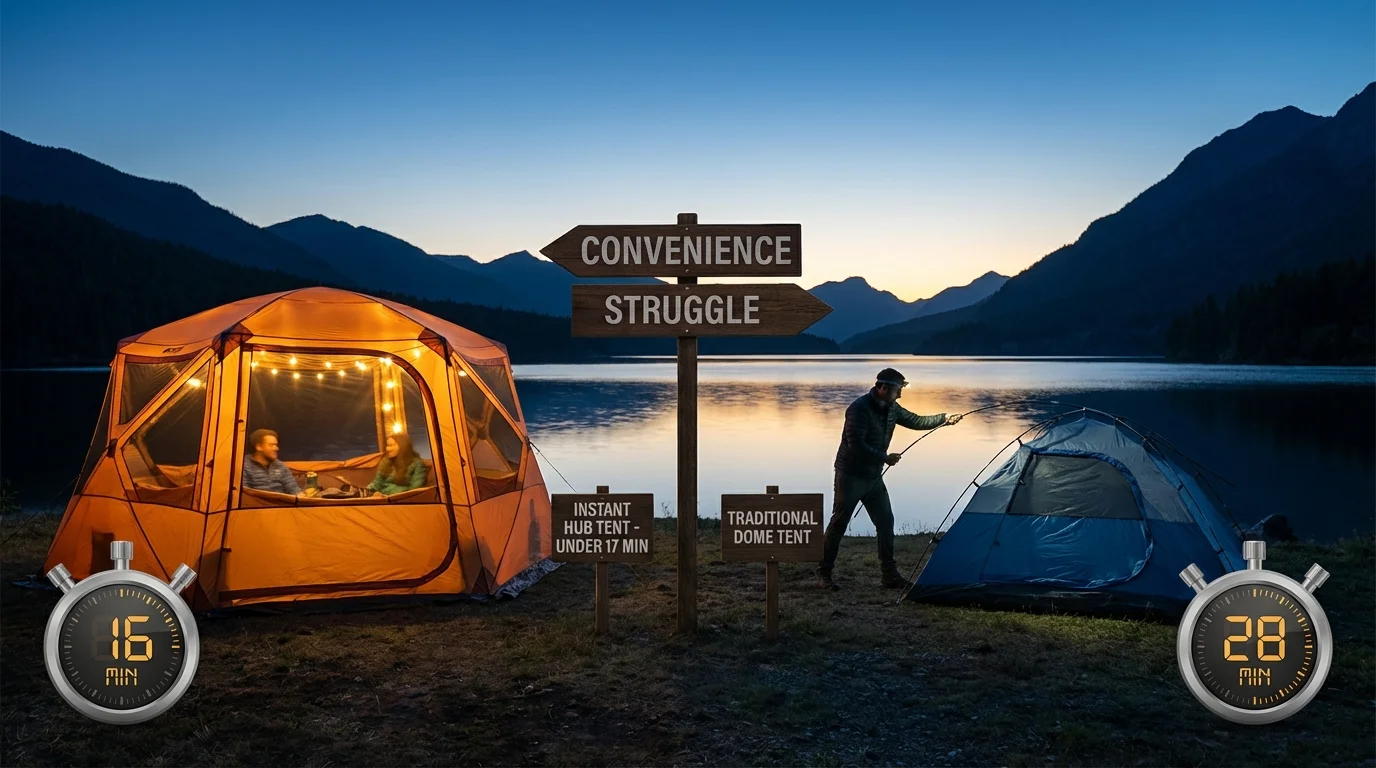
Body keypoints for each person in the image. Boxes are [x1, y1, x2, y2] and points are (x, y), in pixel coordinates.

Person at [818, 368, 962, 591]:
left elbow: (916, 420)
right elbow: (855, 444)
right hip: (850, 475)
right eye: (897, 390)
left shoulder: (892, 408)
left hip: (873, 477)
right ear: (882, 388)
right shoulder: (858, 409)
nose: (900, 395)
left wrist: (944, 418)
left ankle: (889, 575)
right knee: (839, 524)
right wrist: (884, 457)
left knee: (886, 523)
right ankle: (824, 574)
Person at [242, 428, 302, 495]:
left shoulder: (280, 465)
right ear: (259, 447)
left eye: (276, 445)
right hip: (255, 504)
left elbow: (294, 490)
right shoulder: (244, 465)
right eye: (271, 445)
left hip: (282, 504)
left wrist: (304, 497)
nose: (276, 448)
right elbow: (243, 494)